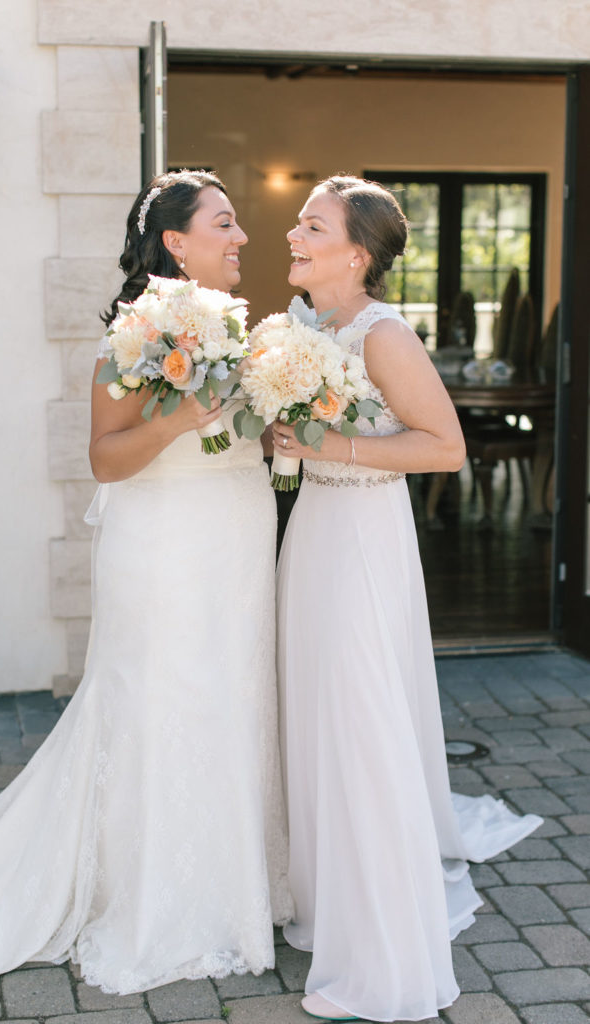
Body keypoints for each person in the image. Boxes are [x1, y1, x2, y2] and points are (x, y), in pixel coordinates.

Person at [0, 170, 291, 995]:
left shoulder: (244, 329)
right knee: (165, 700)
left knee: (234, 694)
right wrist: (181, 413)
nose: (241, 238)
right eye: (223, 224)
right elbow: (104, 457)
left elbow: (246, 435)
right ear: (174, 243)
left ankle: (237, 884)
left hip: (236, 531)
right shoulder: (134, 336)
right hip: (163, 545)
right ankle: (158, 896)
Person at [273, 176, 542, 1022]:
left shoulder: (380, 334)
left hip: (360, 537)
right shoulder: (301, 329)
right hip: (311, 531)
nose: (292, 234)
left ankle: (382, 944)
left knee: (357, 719)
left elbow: (444, 448)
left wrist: (329, 442)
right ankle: (324, 897)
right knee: (314, 711)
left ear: (356, 254)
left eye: (311, 225)